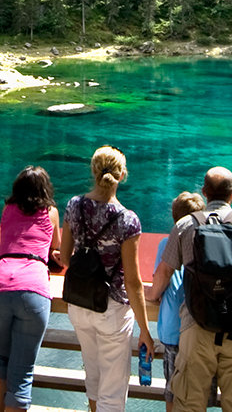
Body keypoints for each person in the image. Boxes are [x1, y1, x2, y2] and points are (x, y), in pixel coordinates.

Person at [149, 166, 232, 412]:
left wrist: (151, 295)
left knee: (189, 403)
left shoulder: (185, 225)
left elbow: (164, 272)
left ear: (205, 192)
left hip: (196, 327)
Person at [60, 146, 153, 412]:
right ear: (122, 175)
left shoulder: (73, 206)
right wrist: (145, 330)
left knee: (93, 374)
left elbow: (66, 257)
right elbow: (133, 282)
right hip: (111, 309)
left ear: (92, 171)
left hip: (79, 303)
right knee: (113, 390)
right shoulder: (128, 220)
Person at [0, 166, 62, 412]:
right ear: (45, 189)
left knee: (3, 358)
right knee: (22, 373)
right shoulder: (50, 212)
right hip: (33, 288)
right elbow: (56, 250)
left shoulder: (7, 209)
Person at [152, 191, 205, 405]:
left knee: (173, 392)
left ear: (174, 217)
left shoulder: (166, 243)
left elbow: (160, 279)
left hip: (174, 328)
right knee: (198, 395)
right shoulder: (209, 243)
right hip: (202, 326)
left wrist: (150, 294)